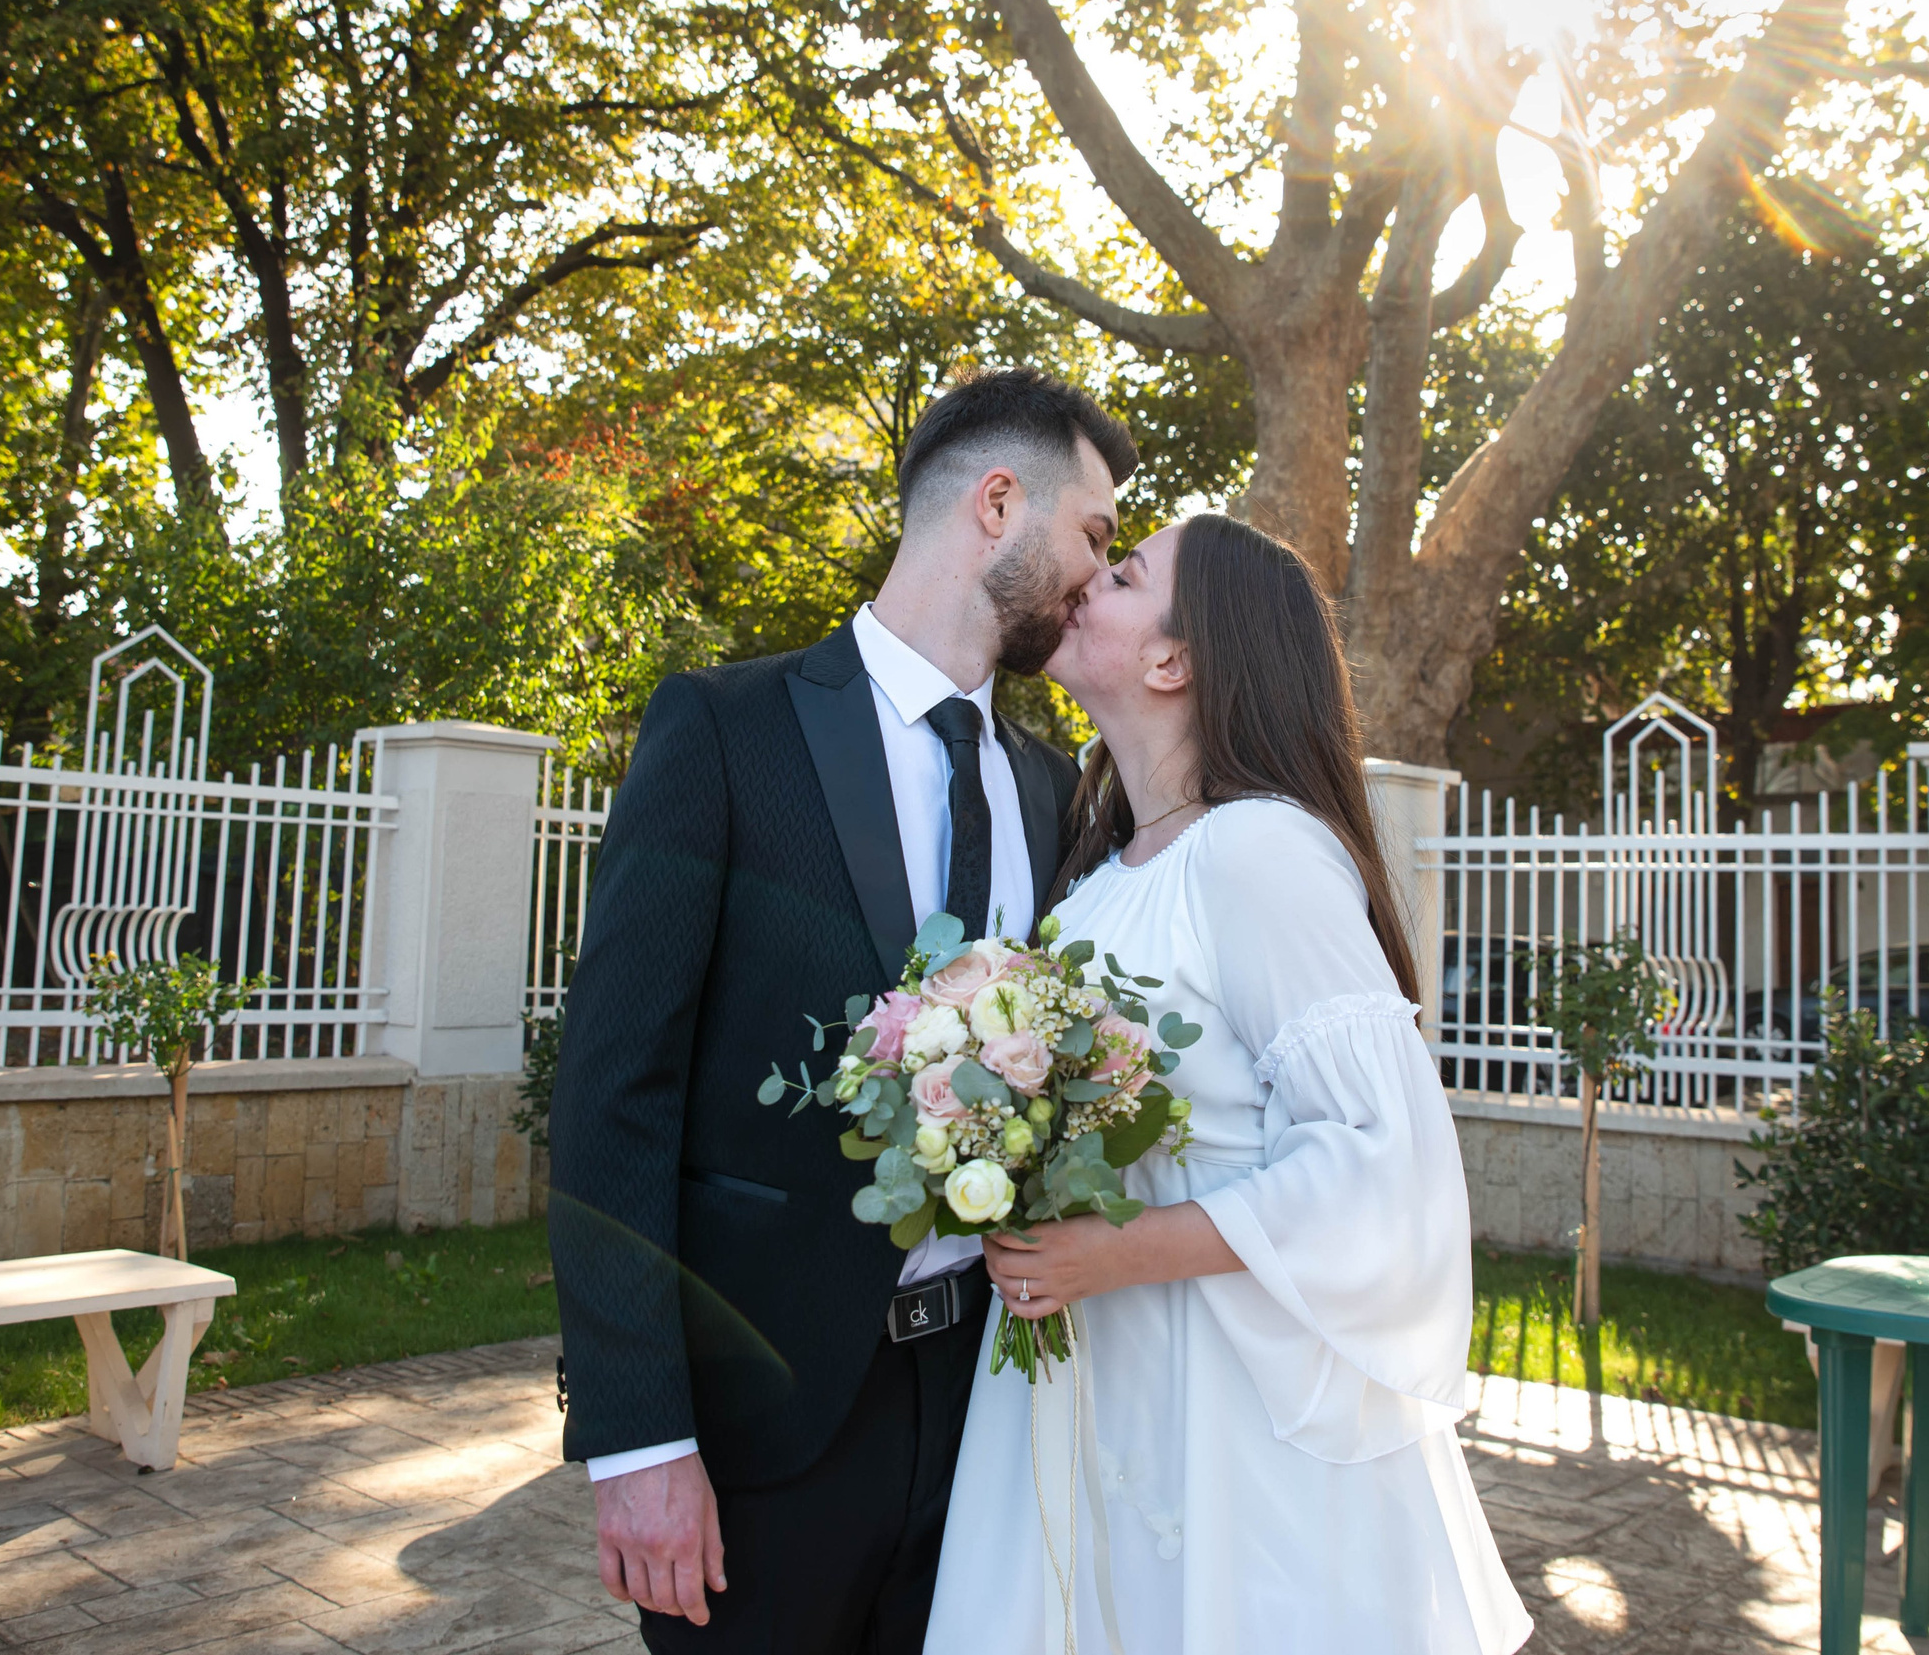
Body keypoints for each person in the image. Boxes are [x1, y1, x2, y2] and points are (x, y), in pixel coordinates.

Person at [547, 368, 1138, 1652]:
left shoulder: (1056, 792)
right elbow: (612, 1097)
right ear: (997, 503)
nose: (1097, 580)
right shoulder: (723, 728)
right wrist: (636, 1435)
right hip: (765, 1428)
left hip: (990, 1405)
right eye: (1092, 536)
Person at [923, 514, 1533, 1654]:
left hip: (1224, 1393)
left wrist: (1116, 1253)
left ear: (1173, 660)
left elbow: (1375, 1154)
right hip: (1079, 1374)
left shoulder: (1260, 852)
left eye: (1121, 575)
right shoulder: (1098, 875)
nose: (1081, 585)